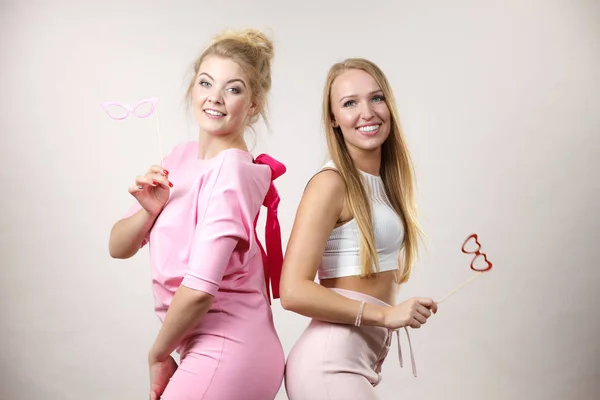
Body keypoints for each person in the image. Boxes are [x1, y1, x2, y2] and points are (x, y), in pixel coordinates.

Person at [108, 28, 286, 400]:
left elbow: (200, 290)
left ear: (253, 104)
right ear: (193, 88)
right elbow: (118, 246)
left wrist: (157, 354)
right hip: (201, 347)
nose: (215, 98)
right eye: (206, 83)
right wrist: (149, 212)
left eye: (233, 89)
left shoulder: (235, 172)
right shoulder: (180, 157)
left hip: (230, 346)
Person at [280, 58, 439, 399]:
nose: (367, 112)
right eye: (350, 103)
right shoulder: (330, 183)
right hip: (327, 367)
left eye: (376, 98)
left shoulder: (384, 184)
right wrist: (386, 314)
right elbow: (292, 290)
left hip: (356, 364)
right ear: (334, 119)